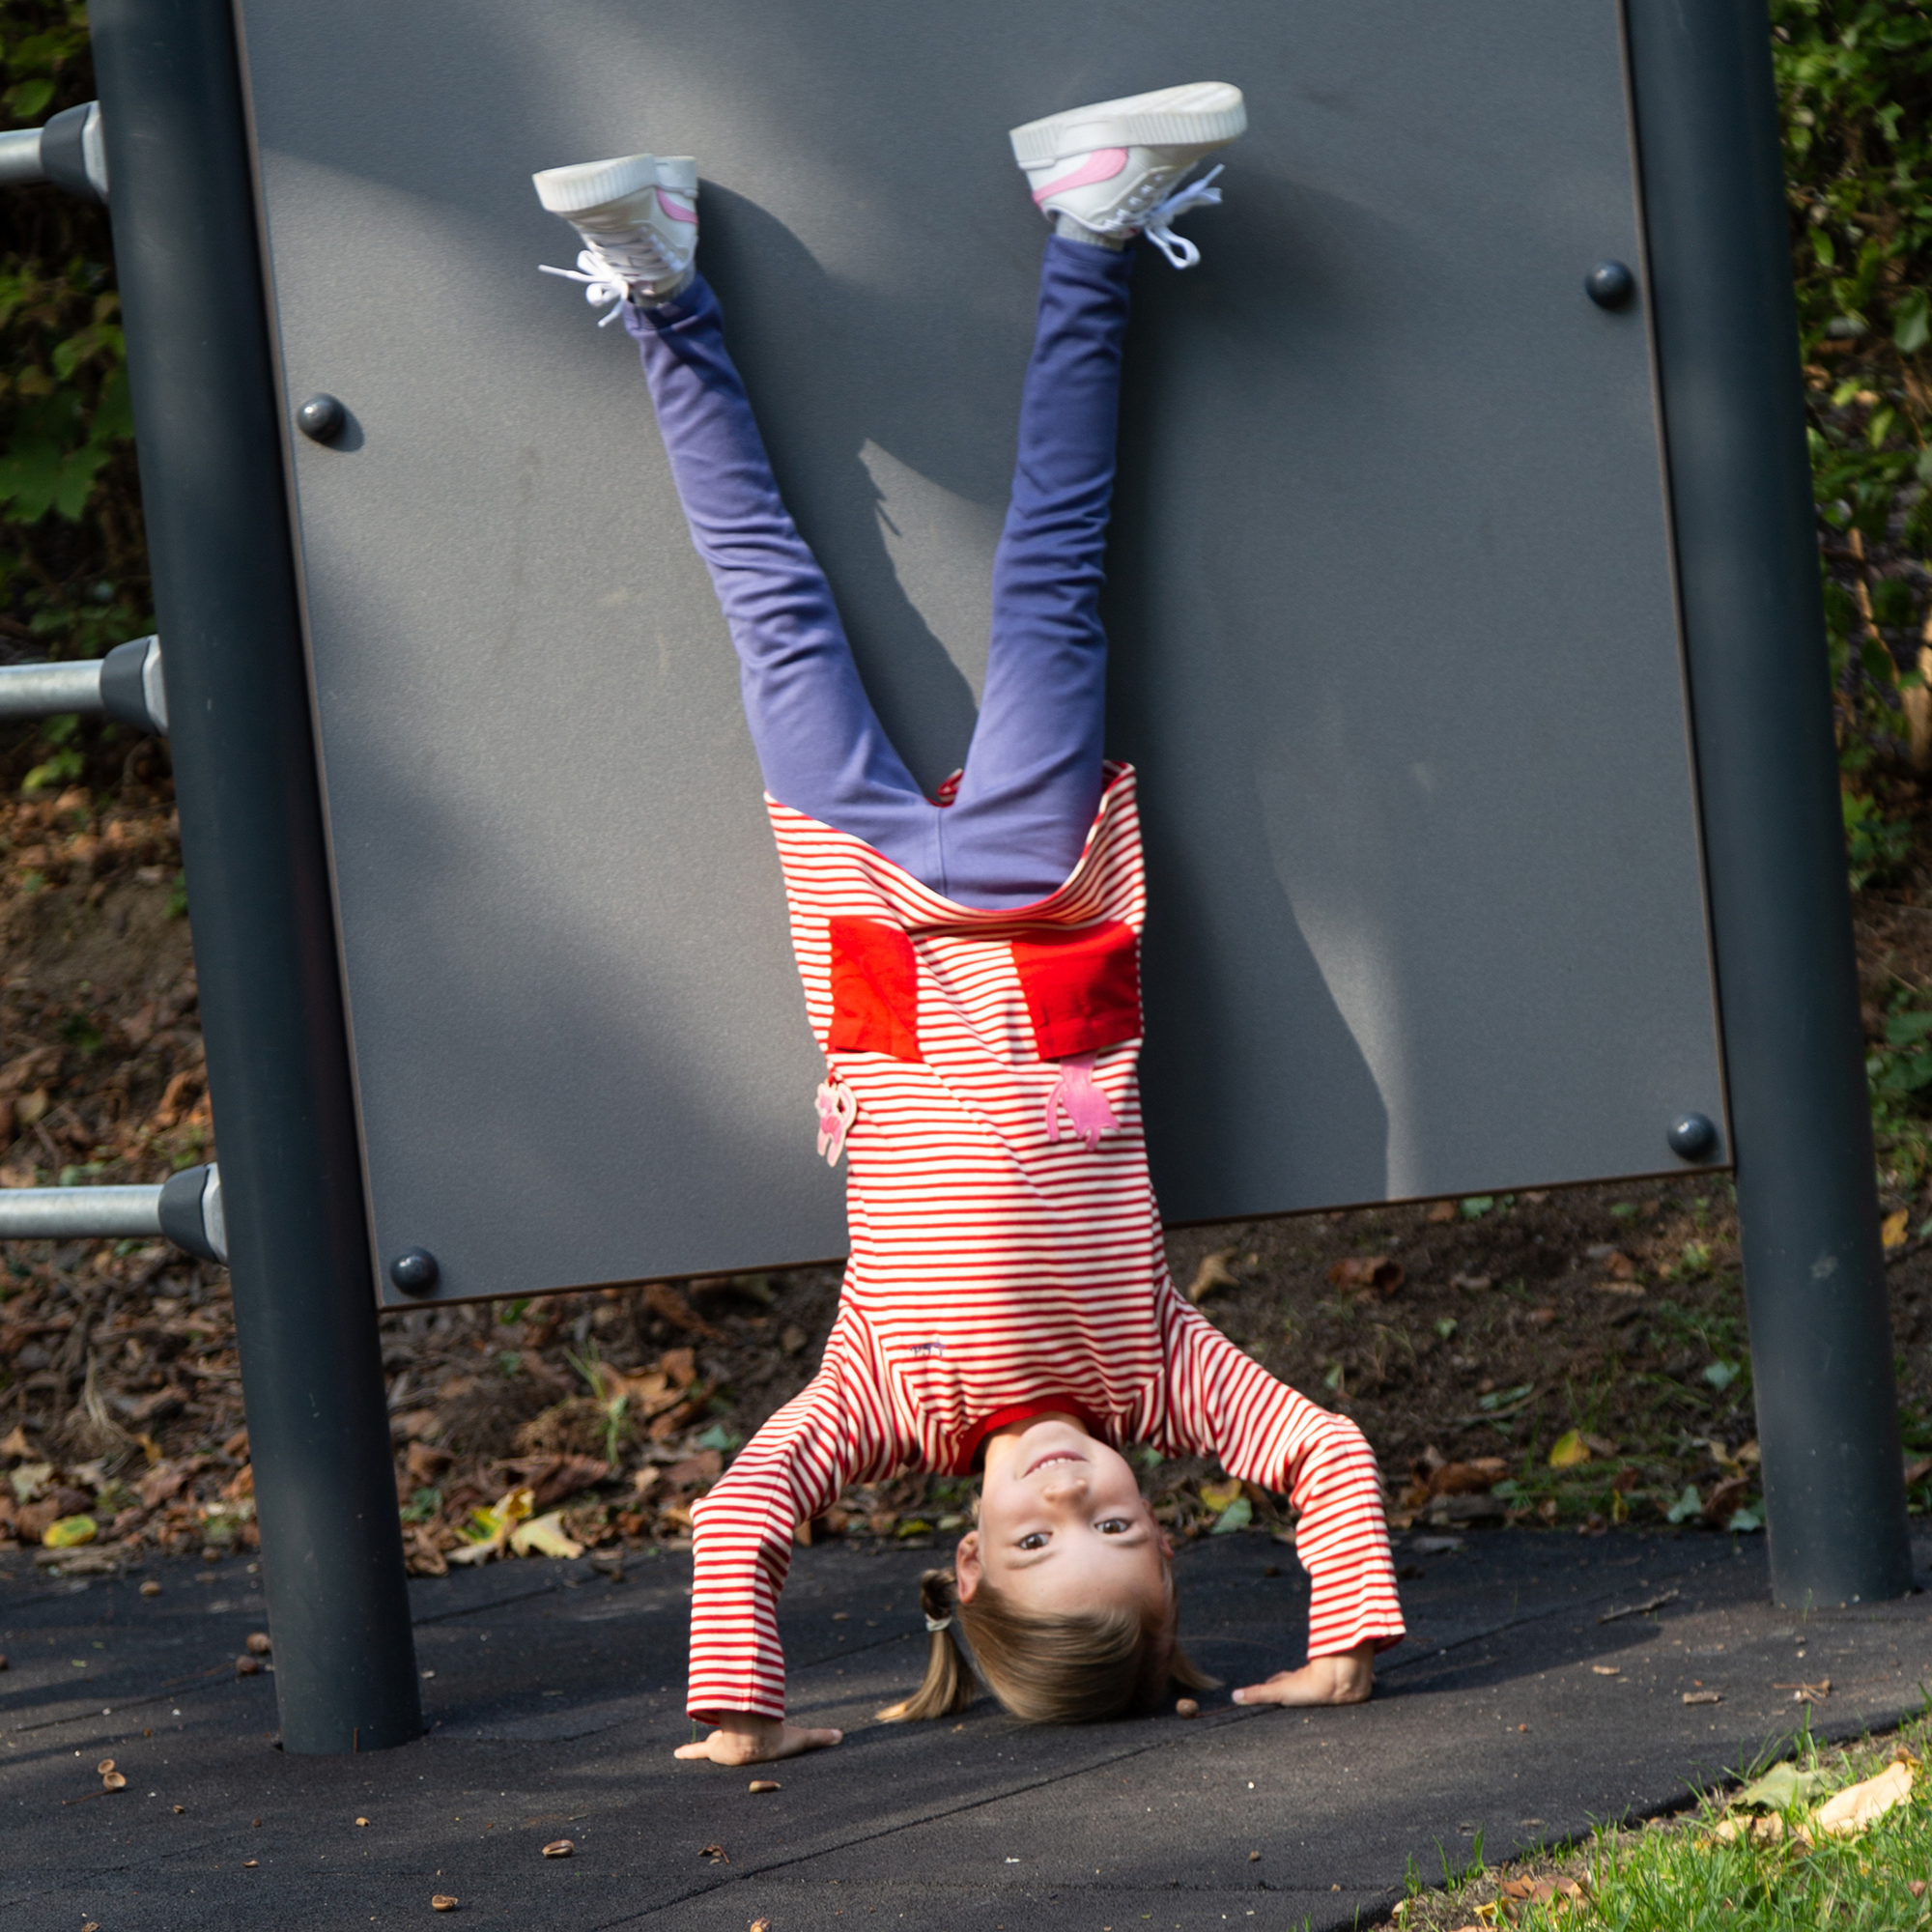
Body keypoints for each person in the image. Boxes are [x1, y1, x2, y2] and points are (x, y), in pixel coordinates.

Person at [533, 83, 1405, 1768]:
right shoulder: (1163, 1370)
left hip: (865, 931)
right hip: (1035, 895)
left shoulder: (874, 1397)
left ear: (959, 1561)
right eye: (1132, 1533)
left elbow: (741, 1513)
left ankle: (659, 289)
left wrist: (740, 1714)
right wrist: (1346, 1644)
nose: (1076, 1495)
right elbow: (1332, 1456)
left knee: (773, 606)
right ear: (1169, 1514)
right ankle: (1090, 231)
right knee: (1055, 571)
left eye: (1032, 1543)